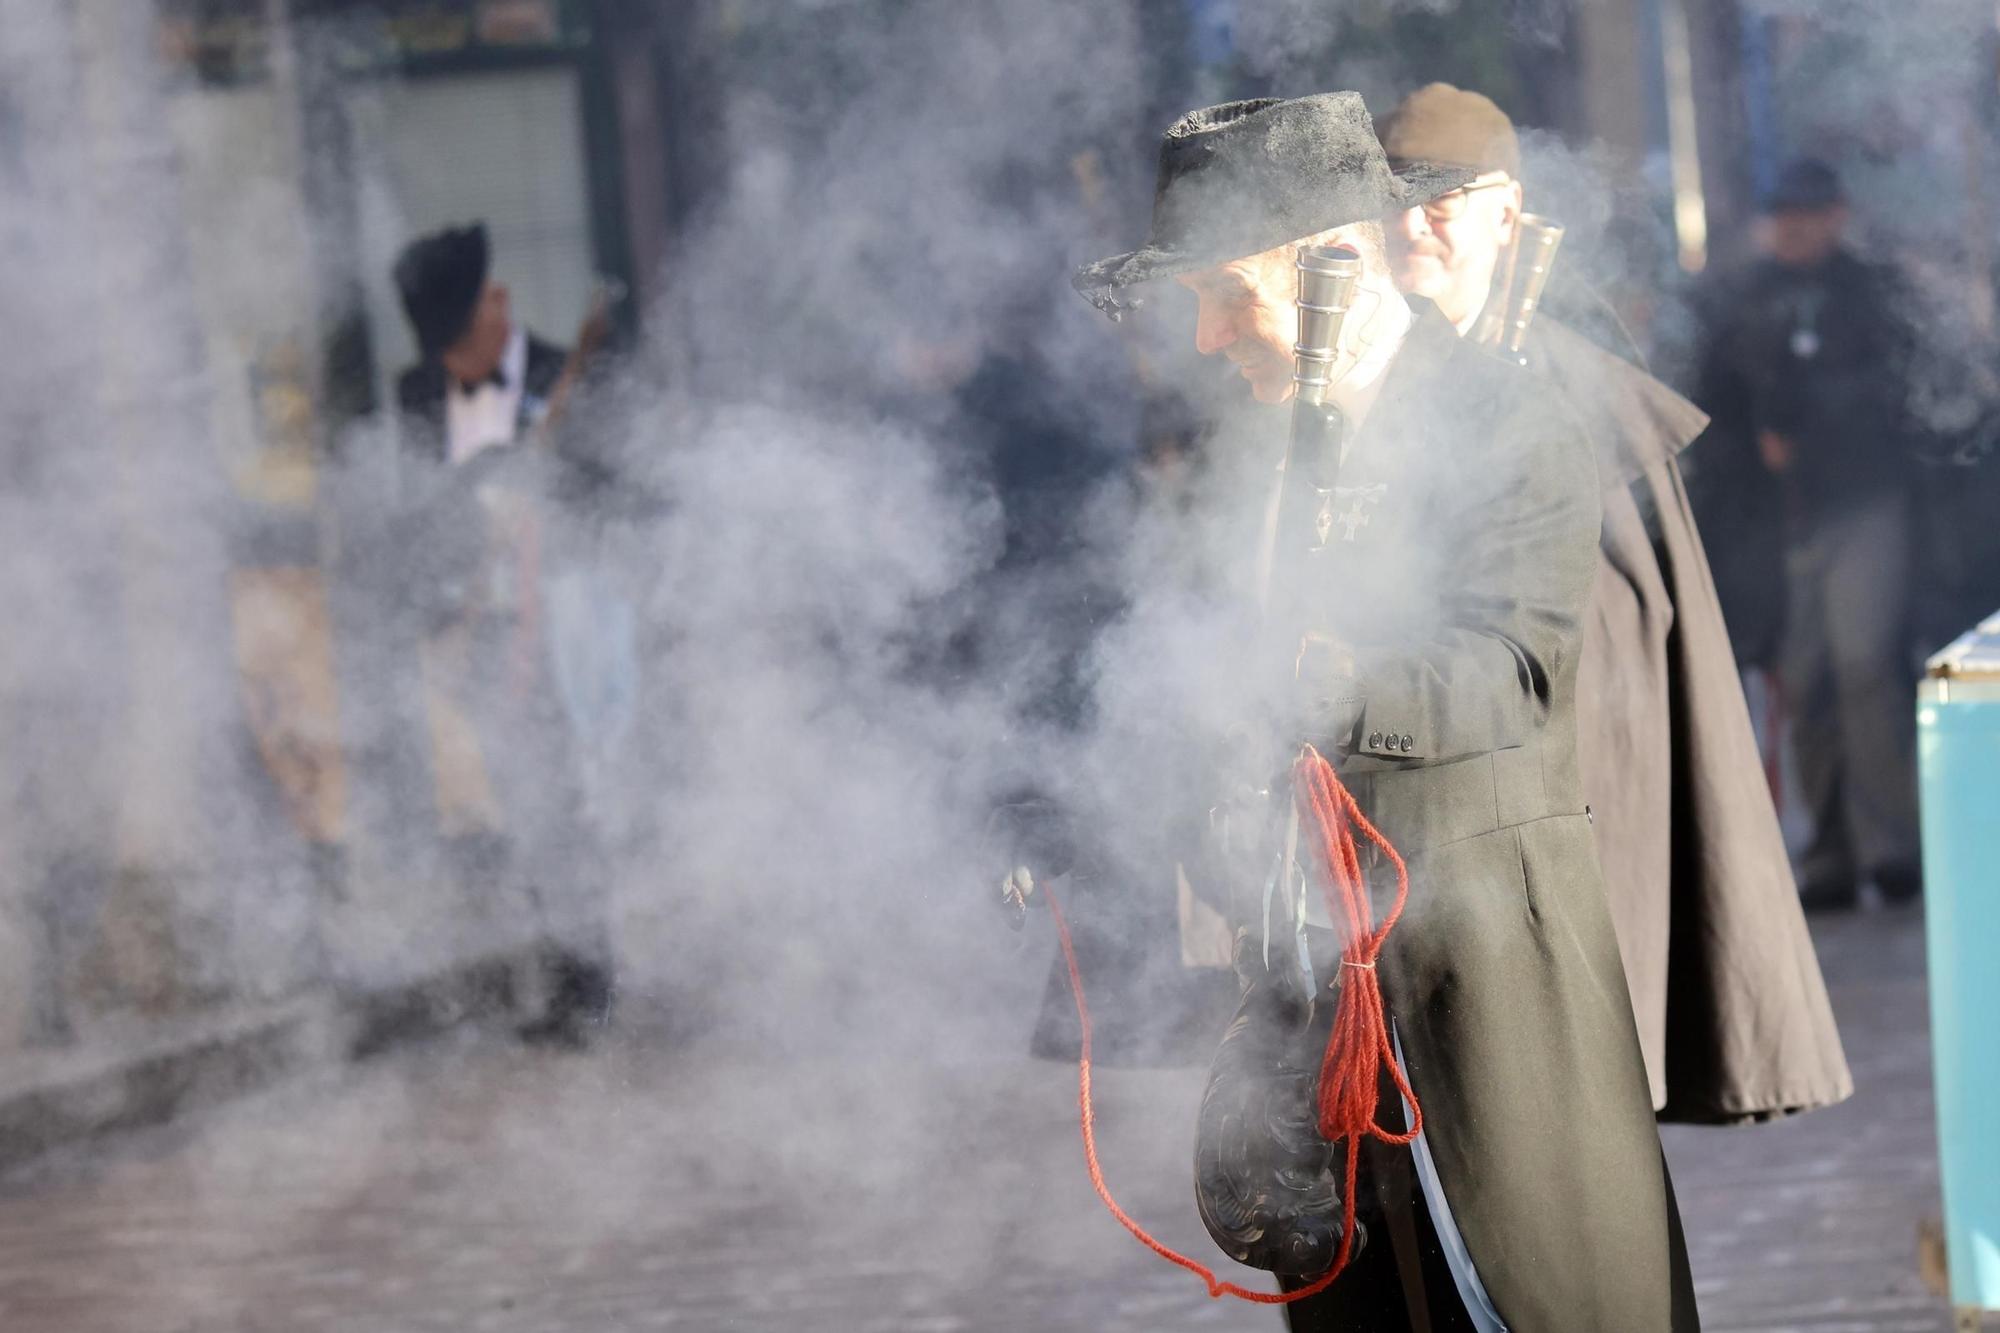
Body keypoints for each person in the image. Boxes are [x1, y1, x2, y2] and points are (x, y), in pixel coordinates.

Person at [1074, 92, 1695, 1331]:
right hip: (1313, 1001)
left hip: (1483, 981)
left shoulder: (1503, 415)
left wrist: (1333, 682)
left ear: (1330, 269)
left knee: (1533, 1299)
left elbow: (1515, 671)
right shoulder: (1244, 447)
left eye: (1221, 292)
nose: (1200, 337)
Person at [1376, 83, 1849, 1123]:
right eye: (1391, 199)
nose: (1409, 224)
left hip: (1576, 767)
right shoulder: (1375, 378)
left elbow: (1630, 628)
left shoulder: (1566, 389)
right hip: (1441, 790)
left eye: (1441, 199)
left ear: (1504, 212)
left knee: (1579, 1089)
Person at [392, 222, 613, 1047]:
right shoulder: (413, 395)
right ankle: (551, 973)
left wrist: (543, 509)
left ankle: (588, 980)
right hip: (478, 634)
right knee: (522, 805)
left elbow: (611, 494)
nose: (502, 301)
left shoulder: (568, 376)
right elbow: (409, 521)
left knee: (570, 807)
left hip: (567, 626)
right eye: (484, 295)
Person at [1692, 159, 1924, 911]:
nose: (1795, 227)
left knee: (1864, 665)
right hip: (1777, 519)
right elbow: (1707, 401)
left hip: (1861, 502)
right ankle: (1828, 850)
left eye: (1809, 212)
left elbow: (1899, 395)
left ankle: (1893, 843)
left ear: (1836, 215)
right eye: (1783, 213)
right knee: (1805, 674)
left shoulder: (1872, 294)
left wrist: (1809, 428)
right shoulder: (1738, 298)